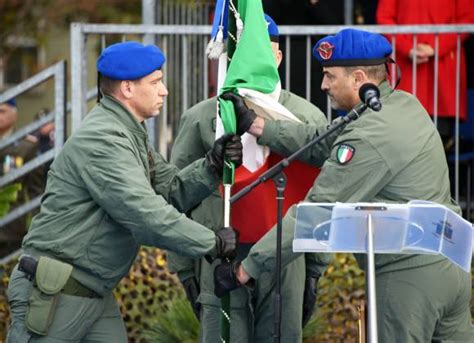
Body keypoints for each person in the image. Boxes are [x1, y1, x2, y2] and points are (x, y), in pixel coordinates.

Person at [215, 28, 473, 342]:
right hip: (450, 268)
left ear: (358, 78)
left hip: (408, 277)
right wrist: (260, 127)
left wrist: (245, 270)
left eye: (329, 76)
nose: (323, 85)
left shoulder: (368, 135)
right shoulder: (402, 106)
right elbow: (322, 139)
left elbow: (316, 212)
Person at [6, 41, 242, 343]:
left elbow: (172, 191)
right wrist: (211, 242)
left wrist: (211, 166)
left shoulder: (129, 132)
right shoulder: (103, 139)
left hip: (91, 291)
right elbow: (145, 215)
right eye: (155, 82)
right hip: (56, 293)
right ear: (127, 89)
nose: (164, 90)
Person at [167, 15, 329, 342]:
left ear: (279, 58)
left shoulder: (306, 117)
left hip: (286, 256)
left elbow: (322, 195)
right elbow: (177, 195)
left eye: (261, 55)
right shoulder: (202, 117)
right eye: (241, 56)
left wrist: (315, 268)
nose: (251, 66)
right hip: (220, 252)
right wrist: (184, 267)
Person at [376, 0, 474, 144]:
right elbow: (384, 17)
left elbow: (468, 18)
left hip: (441, 69)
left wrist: (435, 47)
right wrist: (408, 48)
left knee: (440, 137)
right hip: (410, 67)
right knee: (400, 137)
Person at [0, 98, 41, 256]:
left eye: (2, 111)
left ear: (14, 114)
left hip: (11, 227)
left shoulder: (26, 147)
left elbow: (35, 190)